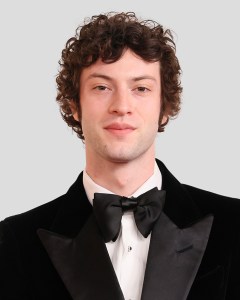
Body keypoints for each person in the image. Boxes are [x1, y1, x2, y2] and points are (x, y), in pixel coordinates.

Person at [0, 11, 239, 300]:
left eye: (141, 88)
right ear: (75, 105)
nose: (121, 106)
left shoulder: (235, 225)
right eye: (102, 87)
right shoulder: (13, 241)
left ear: (164, 107)